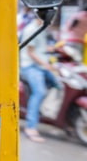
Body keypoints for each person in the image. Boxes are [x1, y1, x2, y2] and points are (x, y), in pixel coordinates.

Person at [19, 13, 59, 142]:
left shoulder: (42, 28)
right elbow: (30, 52)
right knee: (39, 92)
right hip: (31, 66)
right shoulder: (31, 29)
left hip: (41, 66)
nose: (53, 20)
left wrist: (52, 49)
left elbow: (39, 48)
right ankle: (30, 127)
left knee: (58, 85)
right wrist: (46, 65)